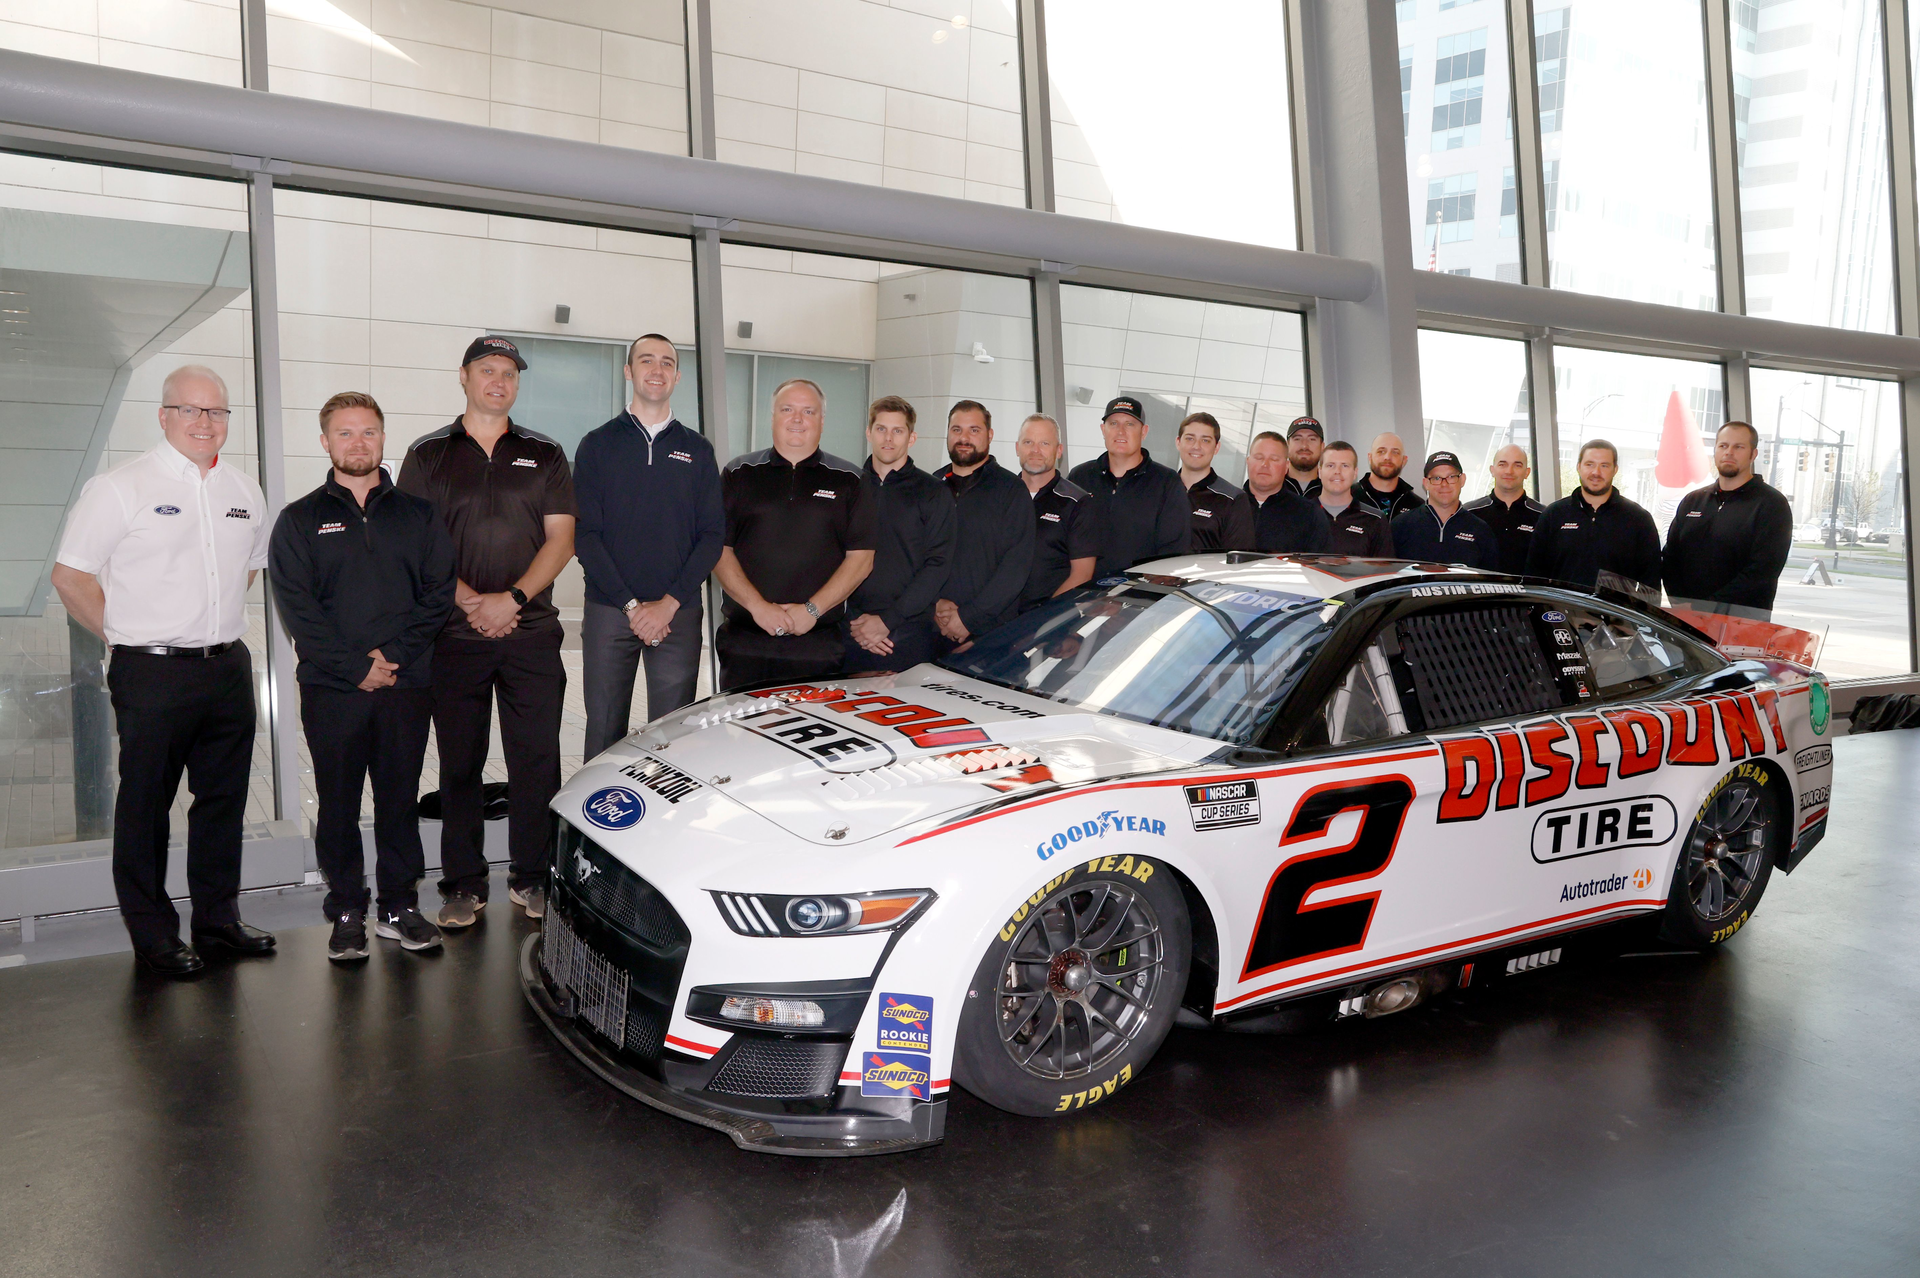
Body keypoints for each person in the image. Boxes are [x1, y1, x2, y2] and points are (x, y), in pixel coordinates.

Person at [50, 365, 276, 976]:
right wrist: (124, 634)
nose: (205, 422)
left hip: (227, 668)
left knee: (223, 801)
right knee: (146, 806)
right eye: (190, 409)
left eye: (216, 411)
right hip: (150, 673)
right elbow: (70, 576)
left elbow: (248, 568)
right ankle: (152, 934)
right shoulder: (119, 487)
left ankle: (218, 920)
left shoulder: (244, 491)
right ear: (164, 415)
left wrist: (205, 623)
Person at [397, 336, 576, 929]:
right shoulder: (427, 454)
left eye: (509, 373)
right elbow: (416, 545)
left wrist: (513, 599)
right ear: (464, 376)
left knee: (537, 761)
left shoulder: (545, 452)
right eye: (487, 370)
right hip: (454, 635)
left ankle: (534, 877)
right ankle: (462, 884)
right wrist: (473, 603)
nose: (498, 381)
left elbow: (562, 540)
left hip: (531, 633)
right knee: (459, 765)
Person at [270, 392, 456, 963]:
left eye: (368, 431)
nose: (358, 443)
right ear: (325, 441)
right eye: (345, 433)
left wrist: (390, 659)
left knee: (399, 800)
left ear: (383, 438)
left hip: (405, 685)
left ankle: (399, 906)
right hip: (332, 689)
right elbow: (298, 610)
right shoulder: (298, 520)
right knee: (338, 804)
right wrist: (356, 668)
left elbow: (438, 595)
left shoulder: (420, 515)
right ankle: (347, 908)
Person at [574, 334, 723, 761]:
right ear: (629, 371)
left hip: (678, 615)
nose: (656, 370)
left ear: (677, 376)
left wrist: (668, 604)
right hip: (609, 611)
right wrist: (631, 606)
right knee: (604, 733)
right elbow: (585, 536)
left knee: (673, 741)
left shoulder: (697, 449)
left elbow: (712, 535)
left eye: (666, 363)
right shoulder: (597, 444)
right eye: (646, 360)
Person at [715, 378, 875, 689]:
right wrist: (759, 608)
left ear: (822, 420)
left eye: (808, 411)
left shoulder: (851, 480)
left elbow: (862, 559)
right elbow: (719, 550)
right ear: (773, 416)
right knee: (742, 723)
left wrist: (812, 611)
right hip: (746, 643)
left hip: (817, 646)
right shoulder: (738, 473)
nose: (797, 419)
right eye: (787, 409)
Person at [846, 396, 955, 673]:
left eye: (898, 431)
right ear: (869, 433)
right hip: (852, 629)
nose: (888, 438)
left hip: (909, 632)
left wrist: (887, 621)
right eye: (881, 429)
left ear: (912, 437)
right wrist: (858, 625)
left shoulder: (933, 491)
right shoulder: (849, 487)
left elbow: (938, 565)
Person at [1662, 421, 1795, 616]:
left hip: (1742, 622)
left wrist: (1706, 608)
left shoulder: (1771, 504)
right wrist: (1679, 602)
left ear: (1753, 454)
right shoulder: (1693, 501)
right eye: (1723, 446)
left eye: (1739, 447)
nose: (1729, 452)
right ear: (1715, 450)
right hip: (1687, 618)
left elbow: (1762, 571)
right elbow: (1671, 557)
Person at [933, 401, 1035, 649]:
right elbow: (915, 557)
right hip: (930, 627)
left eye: (974, 430)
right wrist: (933, 604)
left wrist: (968, 619)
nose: (964, 438)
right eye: (956, 429)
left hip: (989, 635)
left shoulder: (1011, 490)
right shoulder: (931, 487)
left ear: (989, 435)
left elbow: (1015, 567)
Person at [1068, 395, 1190, 575]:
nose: (1120, 431)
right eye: (1113, 424)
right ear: (1103, 430)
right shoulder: (1079, 477)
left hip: (1139, 590)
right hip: (1082, 589)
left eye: (1130, 424)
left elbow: (1174, 551)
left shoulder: (1166, 482)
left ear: (1144, 432)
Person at [1527, 439, 1663, 593]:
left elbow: (1651, 584)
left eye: (1604, 465)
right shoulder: (1553, 515)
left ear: (1615, 469)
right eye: (1589, 464)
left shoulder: (1639, 519)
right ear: (1579, 467)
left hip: (1615, 609)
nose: (1596, 472)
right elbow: (1534, 573)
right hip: (1562, 607)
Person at [1015, 413, 1100, 609]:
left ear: (1059, 450)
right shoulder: (1001, 495)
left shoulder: (1077, 503)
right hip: (994, 618)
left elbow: (1082, 574)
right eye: (1028, 442)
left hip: (1047, 618)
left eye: (1044, 443)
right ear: (1017, 448)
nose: (1035, 450)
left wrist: (1041, 619)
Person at [1230, 431, 1333, 554]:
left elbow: (1320, 562)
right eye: (1259, 457)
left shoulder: (1309, 514)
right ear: (1248, 461)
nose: (1265, 464)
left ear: (1286, 466)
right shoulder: (1226, 506)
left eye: (1274, 459)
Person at [1392, 451, 1500, 568]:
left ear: (1462, 480)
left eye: (1451, 477)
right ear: (1426, 483)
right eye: (1437, 478)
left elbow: (1490, 577)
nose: (1444, 484)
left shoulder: (1481, 530)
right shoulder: (1401, 525)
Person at [1175, 411, 1255, 552]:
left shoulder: (1233, 499)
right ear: (1178, 443)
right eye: (1190, 438)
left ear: (1216, 447)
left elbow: (1239, 558)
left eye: (1205, 440)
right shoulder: (1160, 489)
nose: (1196, 446)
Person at [1464, 444, 1545, 575]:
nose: (1509, 471)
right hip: (1480, 588)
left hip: (1528, 589)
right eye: (1502, 464)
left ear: (1527, 472)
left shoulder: (1544, 516)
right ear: (1492, 470)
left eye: (1517, 465)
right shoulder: (1469, 513)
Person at [1317, 440, 1394, 556]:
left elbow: (1385, 566)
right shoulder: (1302, 515)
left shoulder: (1375, 519)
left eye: (1345, 466)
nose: (1337, 471)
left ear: (1355, 473)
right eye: (1330, 465)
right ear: (1319, 471)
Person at [1353, 432, 1426, 522]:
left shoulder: (1417, 506)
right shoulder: (1349, 497)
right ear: (1370, 457)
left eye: (1395, 452)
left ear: (1404, 461)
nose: (1387, 457)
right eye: (1381, 451)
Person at [1282, 416, 1324, 500]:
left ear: (1322, 447)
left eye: (1312, 439)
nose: (1304, 446)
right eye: (1297, 439)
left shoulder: (1332, 490)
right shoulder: (1272, 487)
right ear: (1287, 446)